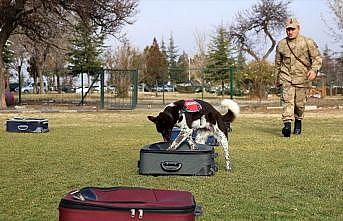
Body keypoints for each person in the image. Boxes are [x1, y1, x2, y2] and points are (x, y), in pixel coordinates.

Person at [275, 17, 322, 137]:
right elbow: (278, 64)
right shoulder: (281, 44)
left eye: (292, 29)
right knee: (287, 101)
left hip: (303, 79)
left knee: (299, 105)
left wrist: (314, 70)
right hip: (287, 78)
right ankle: (286, 125)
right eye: (288, 29)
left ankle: (298, 120)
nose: (290, 32)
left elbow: (317, 58)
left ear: (298, 29)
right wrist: (277, 79)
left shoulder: (308, 42)